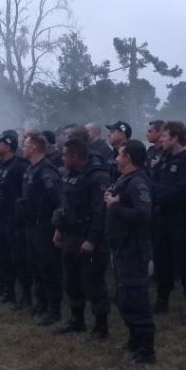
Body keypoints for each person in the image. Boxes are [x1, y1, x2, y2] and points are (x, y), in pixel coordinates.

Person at [52, 137, 111, 338]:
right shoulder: (69, 175)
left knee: (93, 282)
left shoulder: (97, 177)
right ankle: (77, 320)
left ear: (76, 156)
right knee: (72, 281)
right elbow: (64, 206)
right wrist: (59, 229)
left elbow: (100, 213)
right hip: (70, 235)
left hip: (89, 237)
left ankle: (101, 326)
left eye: (65, 155)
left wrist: (92, 240)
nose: (62, 158)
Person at [105, 139, 156, 364]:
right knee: (124, 297)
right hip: (122, 247)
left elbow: (143, 215)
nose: (116, 158)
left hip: (134, 249)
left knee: (135, 298)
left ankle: (146, 350)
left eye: (119, 154)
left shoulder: (138, 182)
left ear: (127, 158)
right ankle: (134, 340)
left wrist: (115, 206)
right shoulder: (125, 179)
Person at [151, 121, 186, 329]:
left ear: (175, 138)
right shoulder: (164, 158)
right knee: (162, 260)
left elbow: (182, 190)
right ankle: (162, 298)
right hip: (162, 218)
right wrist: (158, 195)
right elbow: (153, 181)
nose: (162, 139)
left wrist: (159, 196)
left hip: (182, 219)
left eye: (165, 136)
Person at [20, 133, 63, 325]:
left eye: (25, 145)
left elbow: (57, 200)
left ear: (34, 148)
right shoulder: (31, 168)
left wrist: (57, 227)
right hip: (31, 224)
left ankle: (54, 309)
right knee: (35, 265)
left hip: (45, 226)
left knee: (49, 267)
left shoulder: (47, 171)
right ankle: (41, 303)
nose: (23, 147)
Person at [0, 130, 30, 305]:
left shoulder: (20, 166)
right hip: (0, 217)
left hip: (15, 220)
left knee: (18, 258)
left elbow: (25, 194)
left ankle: (26, 295)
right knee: (2, 256)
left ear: (7, 146)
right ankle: (8, 290)